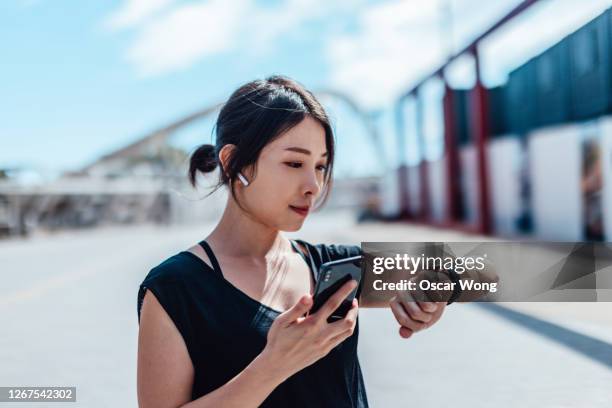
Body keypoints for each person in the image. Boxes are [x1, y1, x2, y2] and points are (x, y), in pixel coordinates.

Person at [136, 76, 449, 408]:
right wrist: (273, 367)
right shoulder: (175, 289)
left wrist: (431, 299)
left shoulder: (333, 269)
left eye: (321, 166)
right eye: (294, 163)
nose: (313, 184)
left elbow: (484, 269)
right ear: (233, 163)